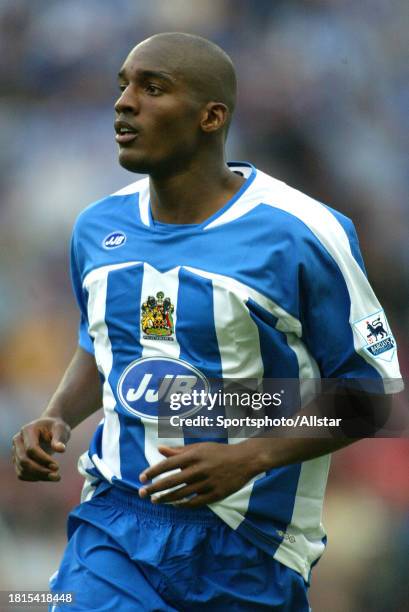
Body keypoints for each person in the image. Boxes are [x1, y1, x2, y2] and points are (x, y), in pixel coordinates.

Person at [12, 32, 402, 611]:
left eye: (153, 88)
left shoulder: (302, 232)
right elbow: (102, 344)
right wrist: (56, 415)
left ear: (210, 117)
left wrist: (249, 456)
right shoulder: (98, 228)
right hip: (116, 522)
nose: (124, 102)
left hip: (250, 544)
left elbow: (371, 399)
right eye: (122, 86)